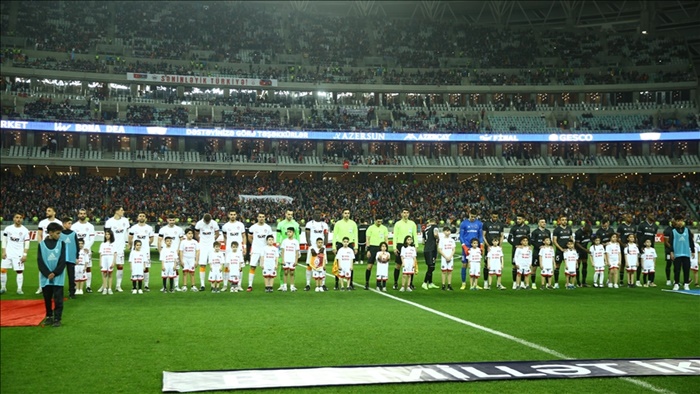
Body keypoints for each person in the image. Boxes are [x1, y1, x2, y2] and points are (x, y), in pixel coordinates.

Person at [38, 222, 66, 327]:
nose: (59, 235)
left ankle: (57, 318)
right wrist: (47, 273)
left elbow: (63, 260)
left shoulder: (61, 244)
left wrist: (54, 273)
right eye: (58, 233)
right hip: (46, 277)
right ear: (50, 232)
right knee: (47, 298)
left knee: (58, 299)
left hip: (58, 277)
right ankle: (49, 316)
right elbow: (40, 261)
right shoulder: (41, 245)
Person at [35, 207, 62, 294]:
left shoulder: (59, 222)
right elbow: (39, 234)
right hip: (45, 247)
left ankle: (54, 286)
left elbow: (60, 236)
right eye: (46, 210)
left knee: (54, 267)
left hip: (55, 247)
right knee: (43, 267)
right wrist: (40, 245)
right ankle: (41, 286)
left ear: (54, 212)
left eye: (49, 211)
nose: (47, 212)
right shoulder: (42, 222)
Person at [1, 213, 30, 295]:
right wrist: (3, 251)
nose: (19, 219)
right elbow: (4, 240)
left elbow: (27, 243)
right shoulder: (8, 228)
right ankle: (3, 287)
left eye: (20, 218)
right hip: (8, 253)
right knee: (3, 270)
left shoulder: (25, 230)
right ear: (13, 218)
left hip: (18, 254)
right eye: (17, 217)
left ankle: (19, 289)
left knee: (19, 271)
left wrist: (24, 255)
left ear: (22, 219)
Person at [104, 206, 130, 293]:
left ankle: (118, 285)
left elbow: (127, 232)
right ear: (116, 211)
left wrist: (128, 243)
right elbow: (106, 235)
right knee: (108, 267)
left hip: (120, 248)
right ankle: (105, 285)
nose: (123, 211)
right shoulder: (109, 222)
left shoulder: (125, 221)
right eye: (121, 210)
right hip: (111, 248)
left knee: (120, 266)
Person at [668, 216, 696, 291]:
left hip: (686, 253)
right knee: (677, 269)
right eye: (678, 220)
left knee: (686, 269)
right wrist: (671, 252)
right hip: (677, 253)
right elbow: (670, 242)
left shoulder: (687, 230)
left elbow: (691, 241)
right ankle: (676, 284)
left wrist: (693, 251)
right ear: (676, 222)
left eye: (681, 220)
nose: (680, 222)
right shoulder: (673, 231)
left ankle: (686, 284)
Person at [332, 209, 358, 289]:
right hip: (340, 244)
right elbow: (334, 235)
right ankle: (337, 283)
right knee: (338, 265)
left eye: (348, 213)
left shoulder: (353, 223)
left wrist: (356, 246)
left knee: (350, 265)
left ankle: (350, 283)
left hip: (350, 244)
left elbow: (356, 235)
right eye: (345, 213)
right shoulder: (338, 223)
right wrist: (334, 246)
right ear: (342, 214)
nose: (347, 214)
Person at [128, 213, 154, 291]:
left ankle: (146, 285)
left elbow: (151, 238)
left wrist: (146, 245)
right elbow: (130, 237)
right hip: (135, 251)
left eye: (143, 216)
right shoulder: (133, 227)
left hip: (145, 251)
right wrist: (131, 245)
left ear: (145, 218)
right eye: (140, 216)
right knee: (134, 266)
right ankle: (134, 285)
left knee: (146, 268)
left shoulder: (149, 228)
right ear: (137, 218)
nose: (141, 217)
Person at [393, 209, 418, 290]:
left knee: (411, 264)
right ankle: (396, 283)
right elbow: (395, 236)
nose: (405, 214)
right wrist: (394, 247)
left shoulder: (412, 223)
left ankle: (410, 284)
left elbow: (415, 235)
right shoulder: (398, 224)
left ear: (409, 214)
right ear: (401, 214)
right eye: (404, 213)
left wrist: (416, 246)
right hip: (400, 245)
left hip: (411, 245)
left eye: (407, 213)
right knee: (398, 265)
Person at [158, 214, 184, 291]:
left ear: (175, 220)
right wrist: (160, 251)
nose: (171, 221)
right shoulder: (163, 229)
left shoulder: (179, 229)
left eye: (173, 220)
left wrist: (179, 250)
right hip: (166, 252)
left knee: (175, 268)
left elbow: (181, 241)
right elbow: (159, 241)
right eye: (170, 220)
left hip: (175, 252)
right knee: (165, 269)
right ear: (167, 220)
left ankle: (176, 286)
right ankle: (164, 286)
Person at [72, 208, 96, 293]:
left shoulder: (90, 226)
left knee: (88, 268)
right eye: (81, 213)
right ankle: (75, 287)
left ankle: (88, 286)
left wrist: (86, 247)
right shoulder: (74, 226)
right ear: (78, 215)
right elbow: (73, 239)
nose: (82, 215)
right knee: (76, 268)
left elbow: (92, 238)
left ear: (86, 215)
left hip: (86, 250)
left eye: (84, 213)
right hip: (76, 251)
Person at [248, 213, 272, 292]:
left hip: (265, 250)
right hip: (255, 250)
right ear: (257, 218)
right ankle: (250, 285)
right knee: (252, 267)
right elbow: (250, 237)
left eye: (263, 217)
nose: (261, 218)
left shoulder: (268, 228)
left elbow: (270, 238)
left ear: (265, 218)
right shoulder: (253, 227)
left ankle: (268, 286)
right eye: (260, 217)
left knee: (266, 267)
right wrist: (254, 245)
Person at [304, 211, 329, 290]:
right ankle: (308, 284)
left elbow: (326, 236)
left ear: (321, 215)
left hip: (322, 247)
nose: (317, 215)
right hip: (312, 247)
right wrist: (311, 247)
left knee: (323, 265)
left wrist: (323, 247)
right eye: (316, 213)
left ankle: (323, 284)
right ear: (313, 214)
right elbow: (307, 236)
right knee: (309, 265)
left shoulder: (324, 225)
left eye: (319, 213)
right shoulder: (309, 224)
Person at [195, 213, 220, 291]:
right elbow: (196, 233)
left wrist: (213, 239)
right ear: (203, 219)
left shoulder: (214, 223)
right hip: (202, 246)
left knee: (213, 264)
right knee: (202, 265)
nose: (207, 223)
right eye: (206, 221)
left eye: (208, 221)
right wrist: (200, 240)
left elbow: (217, 233)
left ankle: (213, 283)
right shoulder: (199, 223)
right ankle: (202, 284)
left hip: (211, 246)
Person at [276, 209, 300, 290]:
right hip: (283, 247)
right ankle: (282, 284)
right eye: (288, 214)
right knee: (282, 267)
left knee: (293, 267)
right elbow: (278, 234)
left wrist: (298, 247)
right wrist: (278, 244)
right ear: (285, 214)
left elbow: (297, 235)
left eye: (291, 214)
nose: (290, 216)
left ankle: (292, 285)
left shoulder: (296, 224)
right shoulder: (281, 224)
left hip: (292, 248)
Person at [363, 217, 388, 291]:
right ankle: (367, 282)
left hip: (381, 248)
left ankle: (380, 284)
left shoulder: (384, 228)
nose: (379, 222)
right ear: (375, 221)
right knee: (369, 266)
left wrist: (385, 250)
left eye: (380, 221)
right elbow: (367, 239)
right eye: (378, 221)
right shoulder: (370, 228)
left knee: (381, 267)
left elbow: (386, 239)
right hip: (373, 248)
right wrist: (368, 249)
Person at [460, 209, 483, 289]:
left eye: (474, 217)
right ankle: (463, 283)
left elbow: (480, 235)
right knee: (464, 264)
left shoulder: (479, 224)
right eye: (471, 216)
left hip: (476, 247)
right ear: (469, 214)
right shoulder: (464, 223)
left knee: (476, 264)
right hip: (466, 246)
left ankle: (475, 284)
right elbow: (461, 236)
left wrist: (481, 245)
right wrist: (464, 246)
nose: (473, 218)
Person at [508, 214, 530, 287]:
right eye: (517, 219)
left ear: (523, 219)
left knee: (524, 266)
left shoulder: (527, 228)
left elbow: (529, 239)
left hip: (525, 250)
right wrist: (515, 245)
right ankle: (515, 282)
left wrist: (528, 246)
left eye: (520, 219)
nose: (518, 220)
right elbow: (509, 239)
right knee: (515, 266)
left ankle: (523, 283)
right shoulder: (514, 228)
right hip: (516, 250)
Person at [481, 212, 502, 289]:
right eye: (493, 217)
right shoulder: (486, 224)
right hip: (489, 248)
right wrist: (487, 245)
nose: (495, 218)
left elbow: (501, 236)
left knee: (498, 264)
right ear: (491, 216)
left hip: (497, 248)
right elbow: (483, 235)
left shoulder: (500, 224)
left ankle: (498, 283)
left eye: (496, 217)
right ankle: (486, 282)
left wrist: (500, 245)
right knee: (487, 264)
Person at [59, 217, 79, 299]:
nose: (70, 225)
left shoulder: (73, 234)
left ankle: (72, 292)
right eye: (68, 223)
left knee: (71, 276)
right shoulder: (60, 234)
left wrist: (77, 257)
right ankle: (59, 292)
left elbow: (77, 246)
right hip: (61, 258)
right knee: (60, 276)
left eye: (71, 223)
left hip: (71, 258)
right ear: (64, 224)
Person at [552, 215, 573, 290]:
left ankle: (568, 283)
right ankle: (556, 283)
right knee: (557, 266)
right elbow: (554, 241)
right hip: (559, 251)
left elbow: (571, 239)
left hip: (567, 251)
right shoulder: (557, 230)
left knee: (569, 266)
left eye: (565, 220)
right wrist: (561, 249)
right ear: (560, 221)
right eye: (563, 220)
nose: (564, 221)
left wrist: (571, 247)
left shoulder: (569, 229)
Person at [636, 214, 658, 286]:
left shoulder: (655, 226)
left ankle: (650, 281)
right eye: (651, 215)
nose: (653, 216)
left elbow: (653, 238)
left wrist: (653, 247)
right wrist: (640, 246)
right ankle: (638, 280)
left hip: (650, 248)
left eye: (653, 215)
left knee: (650, 263)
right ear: (647, 216)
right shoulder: (642, 225)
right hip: (642, 247)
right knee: (640, 263)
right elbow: (638, 236)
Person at [530, 218, 551, 288]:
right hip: (536, 252)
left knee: (546, 268)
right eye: (542, 222)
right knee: (534, 268)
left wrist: (550, 247)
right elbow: (532, 241)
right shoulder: (535, 232)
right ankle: (533, 283)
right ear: (539, 223)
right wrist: (540, 246)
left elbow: (549, 241)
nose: (544, 223)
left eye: (544, 222)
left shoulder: (548, 232)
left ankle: (548, 283)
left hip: (545, 254)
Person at [616, 213, 636, 283]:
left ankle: (630, 280)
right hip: (623, 247)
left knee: (631, 263)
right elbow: (617, 238)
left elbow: (635, 237)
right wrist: (622, 244)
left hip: (631, 247)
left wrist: (635, 244)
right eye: (629, 217)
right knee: (623, 263)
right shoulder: (621, 226)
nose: (630, 219)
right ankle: (621, 280)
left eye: (631, 217)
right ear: (625, 218)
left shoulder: (634, 226)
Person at [421, 218, 440, 290]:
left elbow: (423, 242)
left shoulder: (425, 229)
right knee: (432, 267)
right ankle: (425, 282)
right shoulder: (435, 227)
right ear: (434, 222)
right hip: (432, 249)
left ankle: (431, 283)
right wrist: (438, 238)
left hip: (426, 249)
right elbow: (435, 234)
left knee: (430, 266)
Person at [280, 227, 300, 292]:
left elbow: (297, 252)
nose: (289, 233)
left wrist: (296, 260)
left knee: (292, 273)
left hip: (292, 259)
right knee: (285, 272)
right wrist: (282, 260)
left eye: (290, 232)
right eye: (288, 232)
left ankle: (292, 286)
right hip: (286, 259)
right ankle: (285, 286)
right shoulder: (284, 241)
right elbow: (282, 251)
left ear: (293, 233)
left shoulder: (296, 242)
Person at [574, 222, 592, 287]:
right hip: (578, 251)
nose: (587, 233)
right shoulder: (578, 232)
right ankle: (578, 282)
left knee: (585, 265)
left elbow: (591, 240)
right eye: (586, 231)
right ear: (584, 228)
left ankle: (584, 281)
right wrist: (585, 250)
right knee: (577, 266)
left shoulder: (589, 231)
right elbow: (577, 244)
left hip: (584, 251)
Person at [99, 229, 116, 295]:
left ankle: (110, 288)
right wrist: (100, 262)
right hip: (104, 258)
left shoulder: (113, 244)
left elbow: (115, 254)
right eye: (106, 234)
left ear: (111, 235)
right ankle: (105, 288)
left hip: (110, 258)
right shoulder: (102, 244)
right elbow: (100, 254)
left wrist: (113, 262)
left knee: (110, 274)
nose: (107, 236)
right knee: (104, 274)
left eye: (108, 234)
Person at [438, 226, 456, 291]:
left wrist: (450, 256)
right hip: (444, 257)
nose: (448, 232)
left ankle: (449, 284)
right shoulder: (442, 240)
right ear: (443, 232)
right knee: (443, 271)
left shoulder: (452, 240)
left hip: (450, 257)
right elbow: (439, 250)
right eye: (446, 231)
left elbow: (454, 249)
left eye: (449, 231)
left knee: (450, 271)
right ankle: (443, 285)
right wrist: (445, 257)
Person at [663, 218, 676, 286]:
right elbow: (666, 242)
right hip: (669, 250)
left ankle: (675, 280)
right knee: (669, 264)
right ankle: (668, 280)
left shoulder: (676, 229)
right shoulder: (667, 230)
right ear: (672, 222)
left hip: (676, 250)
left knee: (676, 265)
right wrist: (672, 249)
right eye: (675, 222)